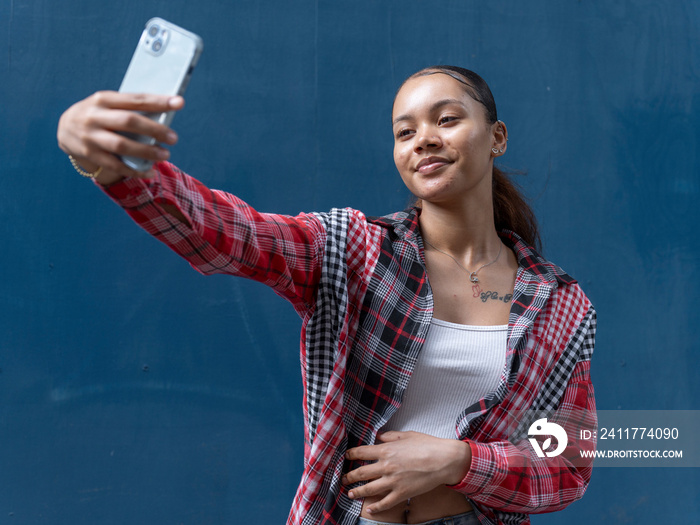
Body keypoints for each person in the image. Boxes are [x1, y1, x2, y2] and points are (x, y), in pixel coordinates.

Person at [57, 65, 597, 525]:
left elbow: (569, 464)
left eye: (447, 119)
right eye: (404, 132)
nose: (424, 139)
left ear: (496, 137)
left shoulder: (559, 304)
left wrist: (459, 462)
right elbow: (229, 235)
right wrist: (110, 162)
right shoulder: (353, 251)